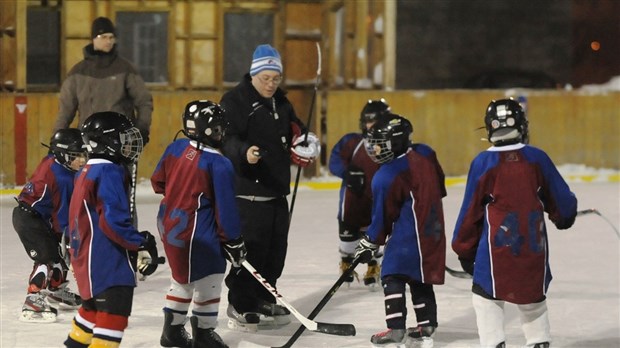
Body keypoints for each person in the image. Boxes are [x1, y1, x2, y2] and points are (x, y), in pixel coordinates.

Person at [451, 98, 578, 348]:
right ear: (521, 125)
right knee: (533, 300)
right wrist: (563, 217)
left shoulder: (483, 163)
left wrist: (463, 249)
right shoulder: (536, 158)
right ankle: (539, 341)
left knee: (485, 297)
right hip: (534, 252)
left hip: (497, 253)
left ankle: (494, 343)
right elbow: (563, 204)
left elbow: (470, 212)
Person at [219, 44, 320, 331]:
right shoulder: (236, 100)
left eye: (276, 79)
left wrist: (307, 142)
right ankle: (241, 303)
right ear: (253, 74)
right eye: (266, 78)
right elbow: (226, 137)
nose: (271, 84)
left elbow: (297, 130)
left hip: (277, 190)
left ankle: (265, 295)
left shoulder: (282, 103)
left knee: (275, 251)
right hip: (248, 191)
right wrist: (244, 151)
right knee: (249, 251)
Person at [151, 100, 247, 348]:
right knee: (210, 277)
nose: (221, 132)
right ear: (208, 130)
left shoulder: (176, 147)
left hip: (169, 226)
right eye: (218, 127)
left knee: (181, 279)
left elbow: (157, 182)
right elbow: (225, 210)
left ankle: (172, 331)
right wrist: (233, 240)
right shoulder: (219, 163)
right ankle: (204, 334)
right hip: (196, 232)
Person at [63, 112, 159, 348]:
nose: (129, 144)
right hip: (106, 259)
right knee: (113, 315)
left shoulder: (87, 170)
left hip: (88, 258)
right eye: (123, 138)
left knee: (91, 311)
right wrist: (141, 241)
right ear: (107, 142)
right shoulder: (109, 172)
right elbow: (113, 221)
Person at [354, 113, 447, 347]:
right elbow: (441, 188)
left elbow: (383, 216)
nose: (374, 149)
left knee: (392, 275)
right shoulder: (425, 155)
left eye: (380, 144)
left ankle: (395, 329)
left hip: (409, 234)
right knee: (419, 277)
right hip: (432, 232)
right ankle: (427, 324)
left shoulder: (387, 174)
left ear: (395, 142)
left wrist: (371, 240)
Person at [53, 16, 153, 226]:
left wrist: (141, 130)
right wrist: (58, 139)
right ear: (93, 39)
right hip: (88, 145)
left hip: (121, 146)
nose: (109, 41)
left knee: (123, 198)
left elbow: (144, 101)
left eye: (111, 37)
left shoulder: (125, 69)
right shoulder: (78, 72)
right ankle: (87, 240)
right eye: (103, 36)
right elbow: (66, 109)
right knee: (87, 194)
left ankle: (128, 242)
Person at [13, 129, 87, 323]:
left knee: (57, 255)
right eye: (75, 156)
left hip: (36, 217)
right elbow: (61, 214)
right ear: (62, 154)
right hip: (29, 220)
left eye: (82, 155)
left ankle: (56, 289)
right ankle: (33, 297)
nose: (81, 160)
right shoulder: (62, 177)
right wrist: (66, 237)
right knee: (48, 257)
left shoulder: (54, 161)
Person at [328, 99, 390, 289]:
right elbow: (335, 159)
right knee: (348, 240)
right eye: (367, 120)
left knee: (374, 236)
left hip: (377, 202)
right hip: (351, 202)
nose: (369, 125)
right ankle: (346, 262)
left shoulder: (390, 144)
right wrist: (346, 172)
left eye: (374, 121)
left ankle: (373, 266)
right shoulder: (352, 141)